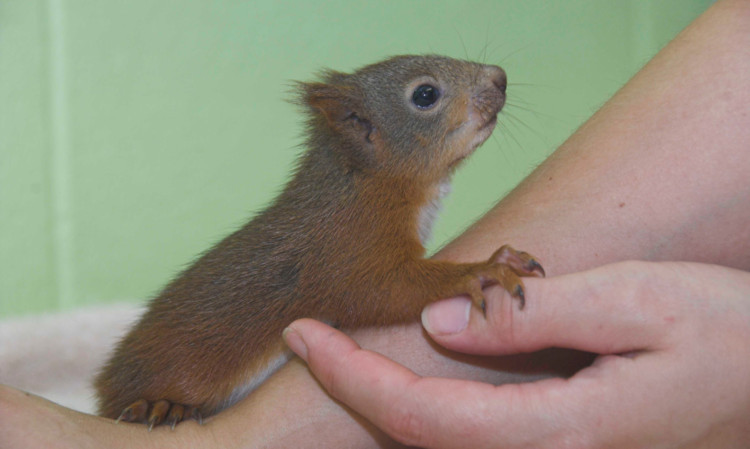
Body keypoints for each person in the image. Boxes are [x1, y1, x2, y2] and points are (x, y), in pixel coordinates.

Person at [1, 0, 748, 447]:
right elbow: (377, 290)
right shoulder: (357, 213)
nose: (489, 86)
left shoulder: (373, 207)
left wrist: (469, 273)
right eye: (432, 97)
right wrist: (470, 274)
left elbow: (380, 288)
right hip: (169, 383)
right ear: (364, 132)